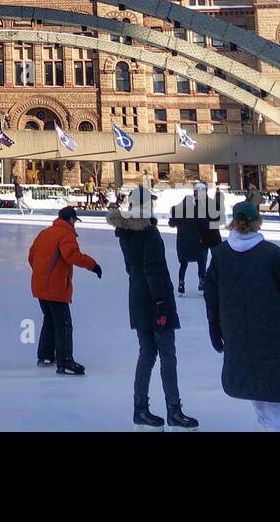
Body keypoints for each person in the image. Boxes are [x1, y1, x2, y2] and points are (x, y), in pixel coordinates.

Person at [204, 201, 280, 432]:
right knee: (272, 388)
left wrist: (214, 326)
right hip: (270, 333)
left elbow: (210, 295)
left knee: (253, 385)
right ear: (257, 222)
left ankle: (269, 427)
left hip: (236, 331)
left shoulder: (220, 255)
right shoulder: (271, 254)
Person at [109, 188, 198, 429]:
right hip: (154, 301)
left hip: (137, 298)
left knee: (146, 354)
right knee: (167, 355)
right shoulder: (148, 232)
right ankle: (174, 410)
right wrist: (160, 302)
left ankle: (140, 409)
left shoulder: (126, 232)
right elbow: (153, 268)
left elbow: (132, 267)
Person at [27, 206, 101, 375]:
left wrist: (42, 273)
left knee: (50, 320)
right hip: (55, 286)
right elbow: (72, 256)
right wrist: (93, 265)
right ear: (70, 219)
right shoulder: (66, 235)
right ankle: (65, 361)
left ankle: (45, 355)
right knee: (64, 324)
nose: (75, 224)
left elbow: (31, 256)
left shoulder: (44, 233)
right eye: (75, 220)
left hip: (40, 285)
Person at [168, 183, 212, 295]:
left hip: (183, 244)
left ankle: (181, 284)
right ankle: (202, 283)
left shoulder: (180, 213)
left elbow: (171, 223)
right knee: (201, 263)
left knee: (183, 264)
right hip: (198, 242)